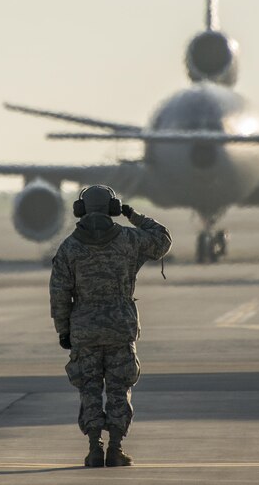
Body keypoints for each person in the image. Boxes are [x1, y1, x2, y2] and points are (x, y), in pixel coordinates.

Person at [50, 184, 172, 468]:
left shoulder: (69, 247)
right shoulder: (129, 239)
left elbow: (59, 293)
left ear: (81, 209)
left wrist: (63, 330)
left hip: (84, 331)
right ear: (113, 208)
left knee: (89, 389)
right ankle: (116, 449)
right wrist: (133, 215)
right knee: (119, 389)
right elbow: (162, 239)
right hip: (120, 328)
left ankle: (95, 448)